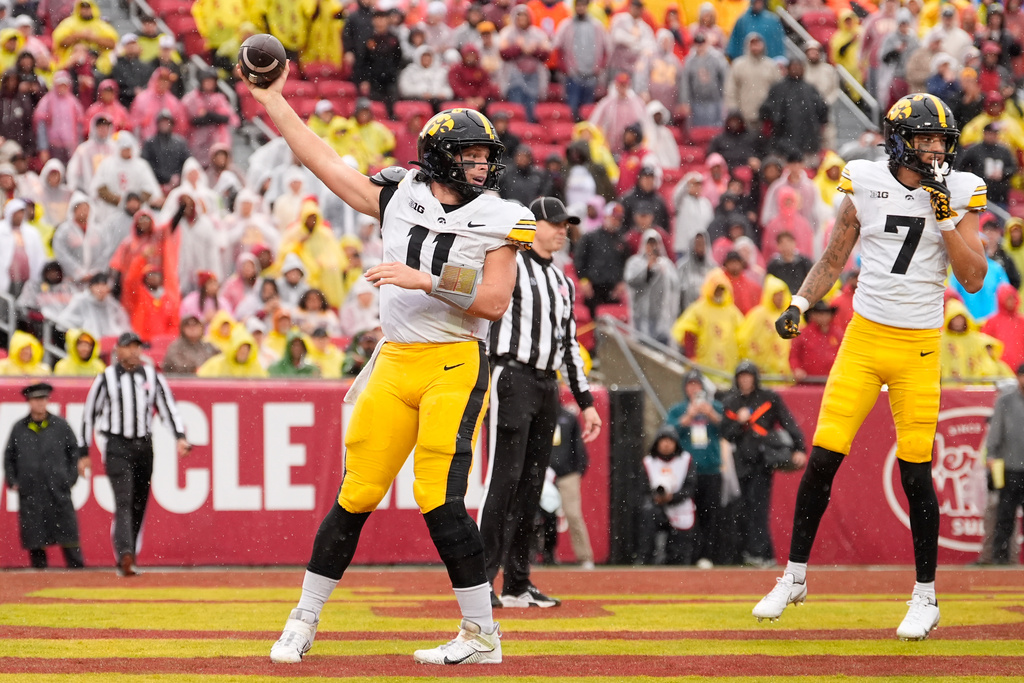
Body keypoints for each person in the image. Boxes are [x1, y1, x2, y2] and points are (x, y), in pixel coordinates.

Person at [246, 56, 537, 663]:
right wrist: (274, 100)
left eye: (486, 156)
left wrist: (423, 278)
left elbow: (494, 302)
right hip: (395, 362)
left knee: (438, 497)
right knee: (356, 494)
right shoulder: (399, 194)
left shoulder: (503, 217)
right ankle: (303, 619)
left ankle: (482, 635)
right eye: (470, 156)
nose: (482, 165)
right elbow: (322, 160)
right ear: (438, 158)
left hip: (455, 363)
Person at [756, 94, 989, 640]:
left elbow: (974, 278)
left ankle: (925, 597)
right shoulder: (863, 181)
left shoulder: (957, 190)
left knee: (915, 474)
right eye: (925, 139)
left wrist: (946, 217)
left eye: (941, 141)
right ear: (900, 140)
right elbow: (834, 258)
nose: (935, 150)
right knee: (822, 459)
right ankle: (793, 576)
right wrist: (798, 304)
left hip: (920, 347)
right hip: (863, 340)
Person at [480, 195, 601, 609]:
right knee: (504, 478)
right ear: (532, 225)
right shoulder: (508, 261)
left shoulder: (564, 282)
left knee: (532, 484)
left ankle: (516, 582)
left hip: (548, 384)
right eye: (555, 223)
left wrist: (584, 401)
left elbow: (570, 345)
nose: (562, 230)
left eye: (565, 224)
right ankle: (480, 581)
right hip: (510, 374)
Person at [79, 331, 189, 576]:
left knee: (139, 502)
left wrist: (180, 437)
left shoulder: (151, 376)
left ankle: (130, 553)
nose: (134, 351)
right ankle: (125, 554)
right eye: (129, 347)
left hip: (143, 446)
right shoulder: (106, 378)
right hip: (117, 445)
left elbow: (167, 407)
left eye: (137, 347)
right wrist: (83, 451)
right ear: (118, 350)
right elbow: (89, 415)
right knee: (124, 500)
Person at [722, 361, 806, 567]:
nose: (745, 380)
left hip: (762, 461)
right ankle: (757, 554)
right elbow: (726, 434)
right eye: (741, 376)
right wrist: (739, 422)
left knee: (758, 508)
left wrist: (800, 448)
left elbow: (788, 422)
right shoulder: (731, 401)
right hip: (741, 462)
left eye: (748, 376)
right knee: (743, 509)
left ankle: (759, 553)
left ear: (754, 378)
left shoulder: (769, 398)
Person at [4, 382, 85, 569]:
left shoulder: (60, 426)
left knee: (68, 533)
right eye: (35, 400)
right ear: (29, 402)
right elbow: (9, 456)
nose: (40, 404)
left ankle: (79, 575)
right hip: (31, 491)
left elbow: (74, 452)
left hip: (57, 488)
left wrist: (69, 478)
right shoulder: (19, 428)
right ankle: (40, 578)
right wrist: (14, 481)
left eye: (43, 399)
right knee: (35, 536)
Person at [665, 369, 724, 566]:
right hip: (685, 472)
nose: (693, 389)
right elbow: (668, 433)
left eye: (697, 385)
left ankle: (706, 555)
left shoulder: (715, 406)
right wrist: (687, 417)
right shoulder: (678, 409)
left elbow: (729, 430)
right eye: (690, 385)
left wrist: (712, 415)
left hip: (711, 470)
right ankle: (686, 554)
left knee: (709, 514)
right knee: (686, 515)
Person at [547, 403, 594, 568]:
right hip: (542, 475)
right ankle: (540, 555)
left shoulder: (568, 416)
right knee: (540, 516)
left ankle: (585, 557)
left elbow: (578, 445)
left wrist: (578, 469)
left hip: (567, 474)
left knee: (573, 514)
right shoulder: (536, 415)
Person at [987, 363, 1024, 564]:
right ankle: (999, 559)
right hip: (1009, 468)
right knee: (1004, 516)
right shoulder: (1005, 401)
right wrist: (991, 455)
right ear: (1018, 377)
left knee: (1005, 515)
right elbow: (995, 431)